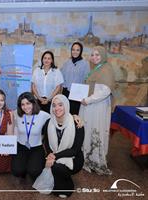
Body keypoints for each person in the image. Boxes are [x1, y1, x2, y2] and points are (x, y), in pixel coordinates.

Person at [79, 46, 115, 175]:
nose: (94, 57)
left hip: (98, 107)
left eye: (97, 55)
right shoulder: (96, 68)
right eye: (93, 55)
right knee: (87, 129)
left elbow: (105, 92)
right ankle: (87, 157)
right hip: (90, 105)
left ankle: (95, 159)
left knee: (96, 129)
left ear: (103, 55)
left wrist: (88, 100)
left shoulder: (107, 70)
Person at [43, 94, 84, 198]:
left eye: (60, 105)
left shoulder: (76, 123)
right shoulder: (49, 122)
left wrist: (55, 156)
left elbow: (74, 150)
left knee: (57, 166)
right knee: (47, 165)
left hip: (74, 158)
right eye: (54, 105)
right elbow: (46, 143)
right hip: (55, 155)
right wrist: (49, 155)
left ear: (66, 105)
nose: (57, 108)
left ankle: (68, 185)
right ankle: (59, 182)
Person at [11, 92, 50, 181]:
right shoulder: (16, 113)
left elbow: (58, 116)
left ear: (33, 103)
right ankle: (24, 169)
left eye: (28, 103)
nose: (25, 107)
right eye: (22, 104)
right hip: (21, 146)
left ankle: (31, 166)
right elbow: (2, 112)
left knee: (34, 171)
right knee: (16, 171)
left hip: (36, 148)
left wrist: (74, 116)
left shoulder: (43, 115)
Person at [61, 42, 90, 115]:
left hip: (77, 94)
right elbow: (62, 76)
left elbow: (87, 80)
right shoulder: (67, 63)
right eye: (73, 50)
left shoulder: (85, 64)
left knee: (74, 115)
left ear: (81, 51)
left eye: (77, 50)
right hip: (66, 92)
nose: (75, 52)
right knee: (65, 113)